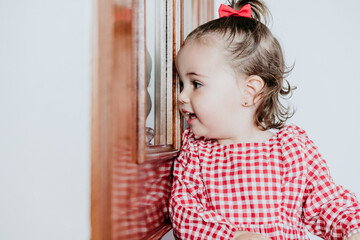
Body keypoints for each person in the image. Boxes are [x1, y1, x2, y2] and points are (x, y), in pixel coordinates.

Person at [168, 0, 360, 239]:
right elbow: (185, 212)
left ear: (249, 92)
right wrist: (235, 236)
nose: (181, 96)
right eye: (181, 84)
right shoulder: (195, 153)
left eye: (196, 84)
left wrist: (352, 229)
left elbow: (327, 202)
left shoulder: (293, 149)